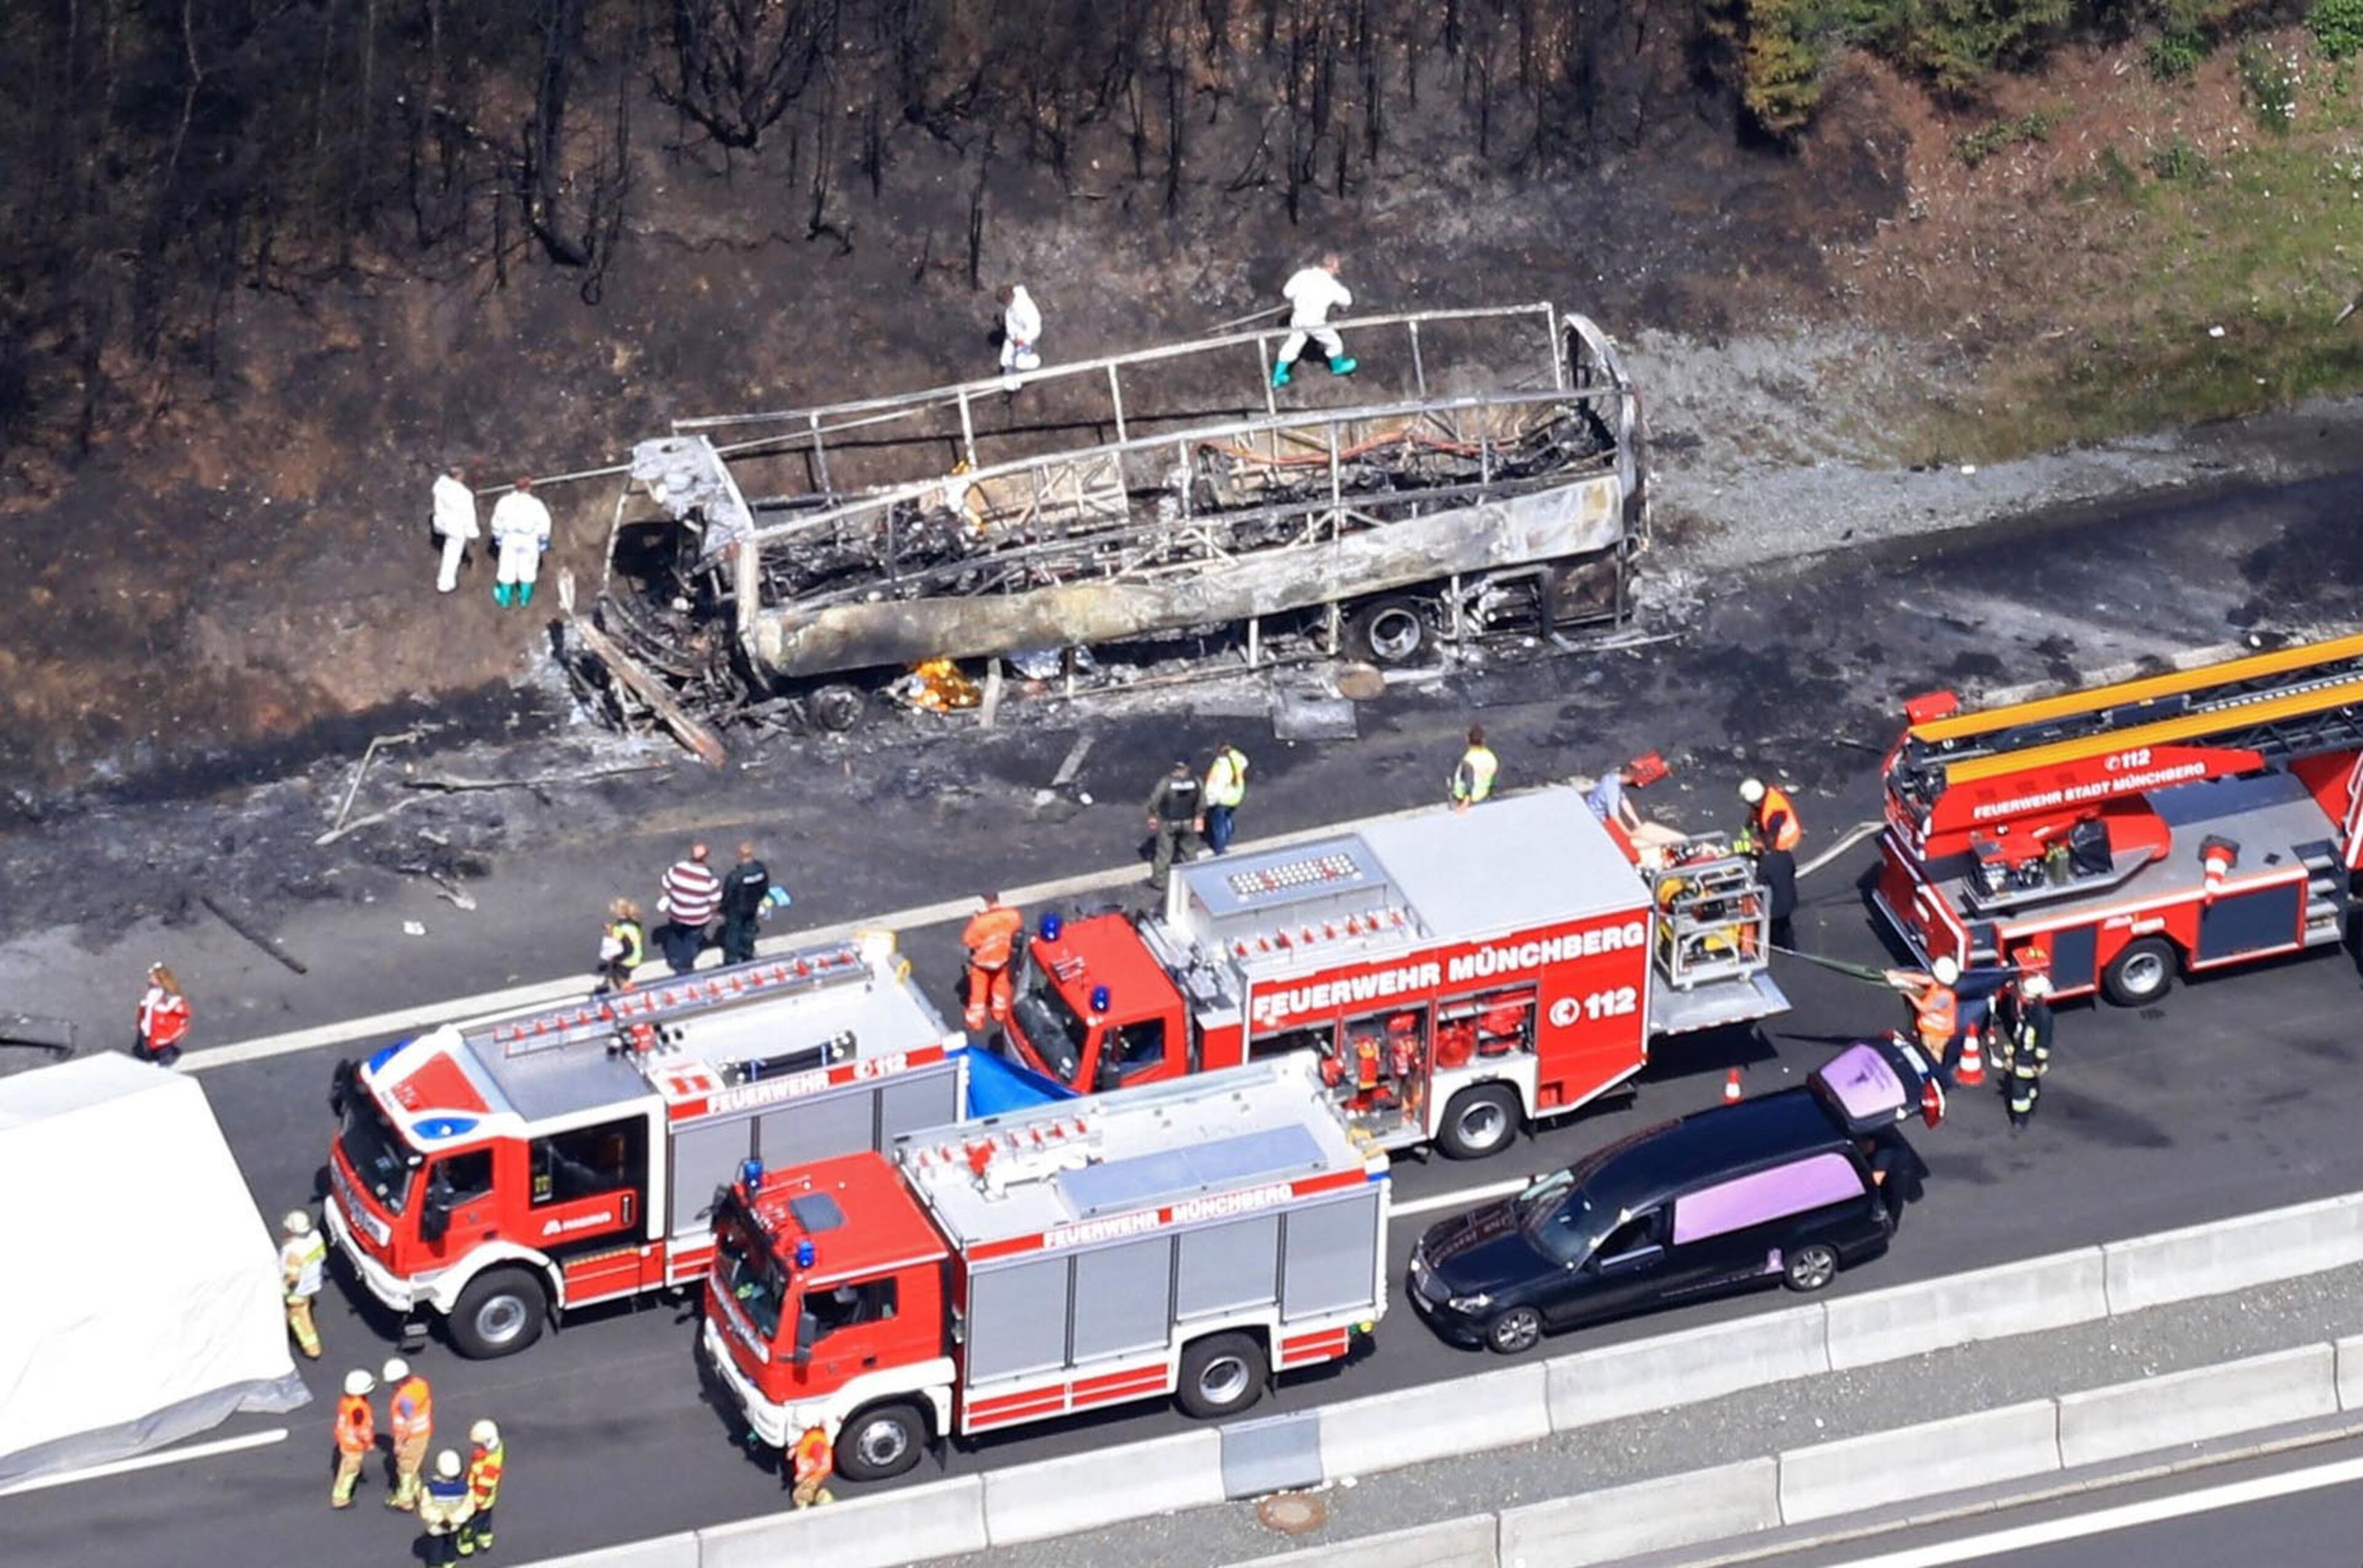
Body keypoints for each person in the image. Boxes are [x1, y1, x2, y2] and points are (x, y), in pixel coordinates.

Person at [1271, 254, 1358, 388]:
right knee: (1334, 342)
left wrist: (1297, 299)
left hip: (1298, 318)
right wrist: (1341, 307)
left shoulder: (1303, 275)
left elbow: (1287, 292)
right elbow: (1347, 300)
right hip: (1315, 321)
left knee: (1294, 343)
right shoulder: (1331, 285)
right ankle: (1338, 367)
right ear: (1334, 267)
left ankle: (1278, 377)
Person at [1738, 776, 1802, 947]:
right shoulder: (1765, 796)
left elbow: (1770, 840)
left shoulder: (1774, 814)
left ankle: (1779, 944)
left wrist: (1749, 845)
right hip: (1780, 862)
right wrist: (1746, 831)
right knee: (1782, 920)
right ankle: (1784, 942)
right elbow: (1752, 817)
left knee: (1778, 922)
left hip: (1783, 842)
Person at [960, 893, 1025, 1032]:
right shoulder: (1012, 916)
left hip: (983, 962)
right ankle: (1000, 1013)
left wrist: (976, 920)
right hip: (1003, 959)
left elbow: (968, 941)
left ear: (985, 904)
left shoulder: (979, 923)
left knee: (978, 991)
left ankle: (976, 1020)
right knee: (1001, 987)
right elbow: (1018, 929)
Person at [657, 843, 722, 975]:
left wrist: (672, 898)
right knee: (690, 942)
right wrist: (716, 913)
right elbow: (714, 903)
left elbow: (665, 887)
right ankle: (684, 967)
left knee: (675, 937)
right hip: (698, 919)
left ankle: (673, 959)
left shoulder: (677, 869)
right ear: (706, 857)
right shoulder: (710, 880)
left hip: (677, 914)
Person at [1885, 955, 1962, 1066]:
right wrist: (1898, 975)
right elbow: (1921, 979)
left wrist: (1909, 994)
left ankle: (1934, 1075)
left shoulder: (1945, 997)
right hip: (1931, 1030)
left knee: (1932, 1056)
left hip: (1938, 1034)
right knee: (1926, 1054)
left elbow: (1924, 1008)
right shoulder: (1939, 984)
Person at [487, 478, 553, 609]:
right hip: (529, 540)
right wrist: (543, 539)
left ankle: (505, 599)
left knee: (507, 567)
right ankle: (524, 598)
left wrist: (498, 536)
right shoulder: (536, 505)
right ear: (529, 488)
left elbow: (497, 522)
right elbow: (545, 524)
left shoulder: (505, 502)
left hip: (510, 538)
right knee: (528, 568)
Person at [1145, 759, 1204, 894]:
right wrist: (1200, 816)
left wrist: (1153, 814)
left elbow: (1155, 800)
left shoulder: (1166, 782)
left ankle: (1159, 881)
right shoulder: (1196, 782)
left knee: (1164, 853)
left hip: (1168, 823)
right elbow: (1202, 802)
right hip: (1189, 822)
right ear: (1188, 767)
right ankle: (1196, 878)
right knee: (1190, 852)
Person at [2005, 973, 2055, 1135]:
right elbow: (2025, 1032)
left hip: (2028, 1059)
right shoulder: (2033, 1010)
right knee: (2029, 1084)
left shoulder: (2043, 1016)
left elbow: (2043, 1043)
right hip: (2024, 1054)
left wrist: (2038, 1062)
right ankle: (2032, 1103)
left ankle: (2020, 1120)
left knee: (2019, 1091)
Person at [384, 1357, 433, 1511]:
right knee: (414, 1465)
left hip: (411, 1436)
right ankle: (418, 1494)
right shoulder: (419, 1384)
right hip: (423, 1433)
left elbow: (409, 1422)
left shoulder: (405, 1399)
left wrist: (399, 1442)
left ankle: (405, 1500)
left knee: (405, 1467)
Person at [279, 1209, 327, 1360]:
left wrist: (283, 1289)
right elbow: (322, 1256)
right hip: (311, 1284)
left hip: (296, 1293)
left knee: (300, 1321)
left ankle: (312, 1349)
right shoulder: (316, 1238)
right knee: (304, 1310)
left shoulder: (294, 1251)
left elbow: (293, 1277)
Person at [718, 842, 772, 967]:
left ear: (740, 855)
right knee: (749, 929)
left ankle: (731, 960)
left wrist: (722, 908)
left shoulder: (736, 876)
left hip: (737, 908)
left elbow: (728, 895)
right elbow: (764, 887)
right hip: (753, 905)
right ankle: (747, 953)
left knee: (733, 933)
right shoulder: (760, 869)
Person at [418, 1448, 475, 1566]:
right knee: (451, 1545)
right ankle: (450, 1563)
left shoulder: (430, 1490)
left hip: (436, 1527)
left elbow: (426, 1510)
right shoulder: (465, 1490)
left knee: (435, 1548)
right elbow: (468, 1509)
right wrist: (453, 1520)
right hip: (454, 1526)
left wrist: (441, 1520)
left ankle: (435, 1564)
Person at [330, 1369, 376, 1510]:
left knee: (347, 1465)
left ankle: (346, 1486)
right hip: (354, 1445)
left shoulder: (346, 1401)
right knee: (350, 1470)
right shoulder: (359, 1409)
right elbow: (362, 1430)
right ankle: (341, 1498)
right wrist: (368, 1443)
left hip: (344, 1440)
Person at [457, 1420, 503, 1558]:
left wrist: (474, 1504)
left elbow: (484, 1487)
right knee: (485, 1521)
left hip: (479, 1500)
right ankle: (485, 1540)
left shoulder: (489, 1466)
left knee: (471, 1524)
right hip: (488, 1501)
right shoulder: (494, 1452)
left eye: (478, 1445)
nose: (476, 1447)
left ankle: (466, 1544)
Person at [433, 466, 480, 594]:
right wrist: (473, 534)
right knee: (452, 555)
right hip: (454, 528)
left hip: (440, 523)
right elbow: (469, 516)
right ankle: (445, 584)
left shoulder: (440, 486)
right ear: (459, 476)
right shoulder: (464, 495)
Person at [135, 962, 191, 1065]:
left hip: (162, 1030)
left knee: (163, 1050)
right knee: (149, 1047)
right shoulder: (152, 992)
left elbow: (181, 1011)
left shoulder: (171, 998)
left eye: (153, 978)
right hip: (150, 1027)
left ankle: (165, 1061)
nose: (150, 980)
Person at [1202, 742, 1250, 856]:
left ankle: (1220, 850)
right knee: (1226, 822)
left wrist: (1209, 800)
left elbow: (1218, 784)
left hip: (1221, 799)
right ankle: (1225, 845)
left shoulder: (1221, 765)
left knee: (1218, 826)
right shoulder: (1237, 761)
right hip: (1234, 798)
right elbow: (1244, 761)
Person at [594, 898, 645, 994]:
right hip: (637, 955)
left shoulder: (619, 929)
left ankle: (625, 990)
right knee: (618, 970)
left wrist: (610, 931)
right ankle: (616, 983)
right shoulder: (633, 923)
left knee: (621, 976)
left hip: (628, 959)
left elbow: (619, 943)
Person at [998, 284, 1042, 386]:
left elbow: (1034, 326)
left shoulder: (1023, 308)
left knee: (1019, 362)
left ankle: (1036, 362)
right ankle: (1010, 385)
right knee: (1005, 360)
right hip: (1014, 334)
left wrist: (1022, 340)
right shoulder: (1012, 306)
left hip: (1027, 336)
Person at [1450, 726, 1498, 812]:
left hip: (1466, 800)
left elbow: (1469, 782)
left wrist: (1464, 805)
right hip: (1484, 796)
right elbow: (1493, 779)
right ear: (1484, 740)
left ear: (1468, 739)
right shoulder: (1491, 757)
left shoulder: (1469, 759)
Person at [790, 1422, 835, 1510]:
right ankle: (825, 1499)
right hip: (812, 1473)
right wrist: (794, 1450)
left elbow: (816, 1462)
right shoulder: (811, 1435)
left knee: (799, 1495)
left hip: (813, 1475)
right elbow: (803, 1444)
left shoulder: (816, 1441)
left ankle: (803, 1511)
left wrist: (803, 1475)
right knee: (812, 1491)